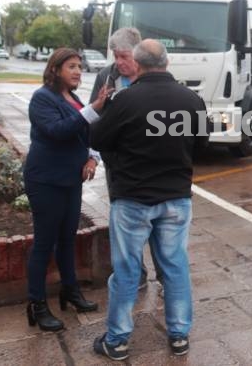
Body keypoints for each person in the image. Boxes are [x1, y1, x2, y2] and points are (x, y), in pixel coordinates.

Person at [90, 40, 207, 360]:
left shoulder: (125, 100)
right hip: (176, 198)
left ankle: (117, 341)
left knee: (126, 271)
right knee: (175, 267)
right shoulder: (192, 99)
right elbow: (202, 143)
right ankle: (179, 334)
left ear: (138, 66)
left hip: (132, 200)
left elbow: (98, 139)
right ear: (167, 63)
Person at [23, 48, 111, 331]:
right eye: (71, 66)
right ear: (55, 69)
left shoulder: (72, 98)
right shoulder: (42, 99)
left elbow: (83, 133)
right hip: (45, 181)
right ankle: (36, 305)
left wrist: (91, 156)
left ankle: (70, 291)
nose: (77, 72)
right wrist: (92, 110)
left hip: (71, 180)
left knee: (67, 239)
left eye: (79, 67)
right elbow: (58, 131)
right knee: (44, 244)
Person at [89, 27, 162, 287]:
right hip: (118, 165)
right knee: (124, 223)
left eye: (124, 57)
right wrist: (93, 156)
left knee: (158, 223)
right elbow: (95, 118)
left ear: (138, 55)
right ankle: (136, 275)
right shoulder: (106, 76)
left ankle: (164, 277)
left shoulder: (153, 76)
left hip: (152, 163)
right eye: (115, 56)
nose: (118, 63)